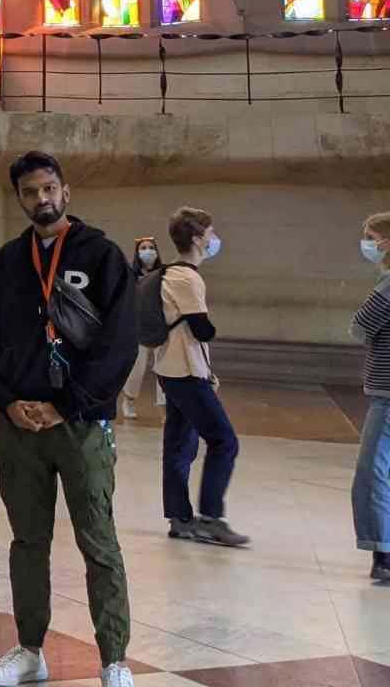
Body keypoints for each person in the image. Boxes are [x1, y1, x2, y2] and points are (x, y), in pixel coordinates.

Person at [0, 151, 136, 687]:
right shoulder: (7, 262)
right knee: (27, 541)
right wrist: (6, 400)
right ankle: (30, 649)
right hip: (19, 426)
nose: (40, 199)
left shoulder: (103, 255)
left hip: (81, 424)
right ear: (19, 197)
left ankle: (114, 659)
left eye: (48, 189)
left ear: (65, 192)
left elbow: (119, 345)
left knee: (98, 541)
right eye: (29, 192)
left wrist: (68, 403)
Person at [156, 207, 247, 547]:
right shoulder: (187, 278)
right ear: (196, 239)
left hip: (172, 369)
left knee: (179, 445)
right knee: (224, 441)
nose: (213, 240)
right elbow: (201, 329)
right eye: (210, 234)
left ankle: (180, 518)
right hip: (186, 372)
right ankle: (210, 518)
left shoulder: (171, 274)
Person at [351, 211, 390, 583]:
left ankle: (383, 552)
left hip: (388, 393)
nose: (367, 244)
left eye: (371, 236)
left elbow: (360, 328)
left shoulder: (388, 286)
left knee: (373, 472)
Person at [119, 236, 163, 419]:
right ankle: (128, 401)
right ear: (137, 253)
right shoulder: (130, 274)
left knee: (164, 371)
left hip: (160, 328)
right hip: (137, 329)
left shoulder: (164, 273)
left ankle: (165, 409)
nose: (148, 251)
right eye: (143, 248)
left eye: (151, 247)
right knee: (136, 369)